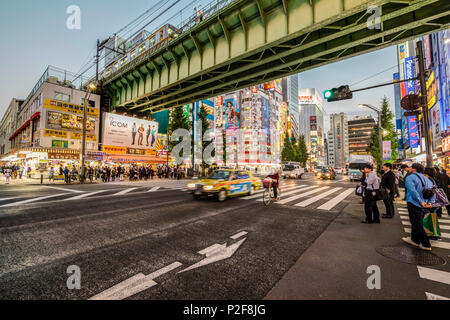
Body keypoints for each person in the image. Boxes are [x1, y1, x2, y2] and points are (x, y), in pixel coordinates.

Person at [402, 163, 435, 251]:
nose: (410, 169)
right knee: (416, 222)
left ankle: (426, 244)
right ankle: (415, 240)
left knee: (417, 224)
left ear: (414, 169)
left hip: (415, 203)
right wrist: (430, 202)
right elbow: (433, 192)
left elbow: (412, 191)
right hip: (425, 204)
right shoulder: (427, 179)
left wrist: (421, 201)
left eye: (411, 167)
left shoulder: (410, 177)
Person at [423, 167, 441, 240]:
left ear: (426, 173)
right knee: (432, 217)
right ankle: (434, 234)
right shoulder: (433, 179)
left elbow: (431, 192)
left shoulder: (429, 180)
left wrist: (429, 202)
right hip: (434, 202)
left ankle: (433, 235)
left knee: (430, 218)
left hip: (431, 202)